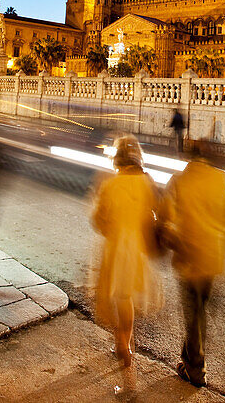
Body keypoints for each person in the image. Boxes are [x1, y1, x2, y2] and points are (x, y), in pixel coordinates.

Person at [161, 140, 225, 388]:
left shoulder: (179, 181)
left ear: (189, 159)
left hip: (189, 257)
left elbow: (165, 220)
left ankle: (196, 370)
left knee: (194, 315)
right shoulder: (220, 180)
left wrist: (169, 240)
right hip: (213, 256)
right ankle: (190, 358)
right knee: (199, 311)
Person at [91, 134, 163, 376]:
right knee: (126, 296)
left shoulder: (110, 184)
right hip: (136, 247)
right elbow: (158, 211)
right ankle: (125, 341)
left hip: (116, 246)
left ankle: (121, 343)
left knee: (117, 295)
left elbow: (98, 220)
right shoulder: (146, 182)